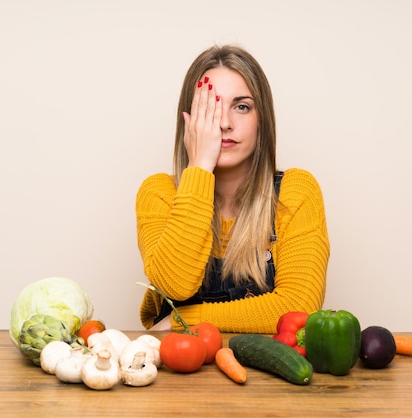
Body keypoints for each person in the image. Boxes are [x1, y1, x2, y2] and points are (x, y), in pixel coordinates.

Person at [136, 44, 330, 334]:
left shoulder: (296, 192)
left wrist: (181, 319)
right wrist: (200, 165)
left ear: (261, 119)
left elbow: (298, 310)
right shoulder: (159, 193)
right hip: (178, 374)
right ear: (188, 119)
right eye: (209, 109)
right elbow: (174, 284)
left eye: (241, 107)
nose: (224, 123)